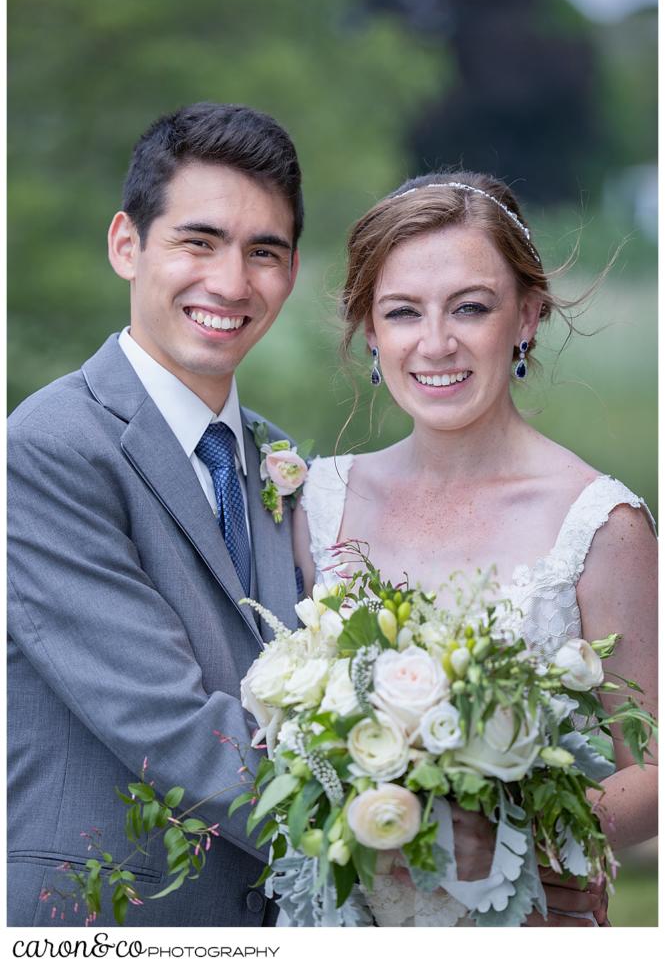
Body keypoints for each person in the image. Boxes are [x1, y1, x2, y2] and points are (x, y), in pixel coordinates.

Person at [293, 171, 657, 926]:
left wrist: (530, 841)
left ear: (525, 316)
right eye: (401, 312)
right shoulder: (315, 504)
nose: (435, 343)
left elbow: (651, 770)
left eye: (470, 307)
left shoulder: (600, 524)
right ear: (370, 331)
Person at [7, 102, 305, 927]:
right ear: (126, 245)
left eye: (264, 253)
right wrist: (388, 840)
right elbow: (162, 722)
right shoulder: (48, 445)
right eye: (198, 241)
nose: (231, 282)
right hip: (106, 918)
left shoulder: (279, 460)